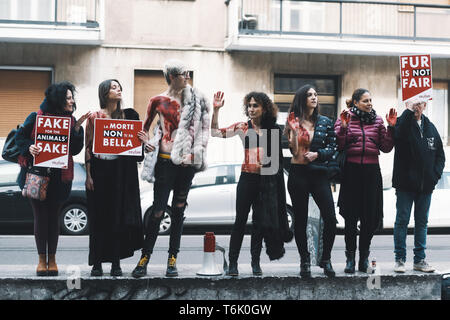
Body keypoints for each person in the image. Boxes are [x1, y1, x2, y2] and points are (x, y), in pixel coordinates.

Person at [132, 59, 210, 278]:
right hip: (165, 162)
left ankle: (172, 260)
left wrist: (194, 155)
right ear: (173, 76)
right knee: (157, 212)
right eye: (184, 74)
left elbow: (204, 132)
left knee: (178, 211)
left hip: (186, 166)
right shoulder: (157, 100)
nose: (187, 77)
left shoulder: (195, 100)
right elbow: (143, 129)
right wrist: (145, 142)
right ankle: (144, 258)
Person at [211, 91, 291, 276]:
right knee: (239, 221)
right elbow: (215, 132)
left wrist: (269, 162)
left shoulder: (272, 129)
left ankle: (255, 263)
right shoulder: (242, 127)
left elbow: (278, 159)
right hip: (247, 179)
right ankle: (233, 263)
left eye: (256, 105)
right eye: (249, 105)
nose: (252, 109)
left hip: (265, 182)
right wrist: (216, 110)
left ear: (264, 109)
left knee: (259, 223)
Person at [15, 81, 89, 276]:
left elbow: (75, 150)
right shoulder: (36, 117)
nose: (72, 100)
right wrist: (29, 147)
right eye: (68, 97)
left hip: (60, 178)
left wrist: (77, 130)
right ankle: (41, 261)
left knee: (54, 218)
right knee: (40, 217)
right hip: (36, 176)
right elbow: (19, 139)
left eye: (72, 97)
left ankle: (53, 260)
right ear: (57, 100)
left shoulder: (71, 122)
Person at [85, 79, 147, 277]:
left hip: (120, 173)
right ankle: (97, 263)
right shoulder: (94, 117)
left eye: (119, 86)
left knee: (117, 218)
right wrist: (88, 175)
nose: (118, 89)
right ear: (104, 92)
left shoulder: (128, 115)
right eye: (113, 87)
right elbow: (87, 148)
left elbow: (136, 150)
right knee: (98, 218)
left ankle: (115, 262)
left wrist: (144, 141)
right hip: (98, 170)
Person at [334, 88, 396, 273]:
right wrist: (344, 128)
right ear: (355, 102)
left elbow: (386, 147)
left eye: (370, 100)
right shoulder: (345, 117)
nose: (370, 103)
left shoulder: (377, 121)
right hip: (351, 172)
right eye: (365, 101)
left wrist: (391, 127)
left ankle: (364, 258)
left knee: (369, 219)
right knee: (351, 219)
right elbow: (339, 144)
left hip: (371, 172)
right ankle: (350, 259)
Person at [284, 85, 338, 278]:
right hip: (298, 173)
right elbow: (294, 151)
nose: (314, 98)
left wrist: (319, 154)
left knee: (331, 218)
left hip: (318, 174)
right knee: (301, 219)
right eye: (309, 95)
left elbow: (333, 147)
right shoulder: (293, 121)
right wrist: (293, 130)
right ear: (302, 99)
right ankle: (304, 260)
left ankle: (326, 258)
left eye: (316, 94)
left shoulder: (325, 122)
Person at [392, 99, 445, 273]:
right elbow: (398, 137)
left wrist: (434, 176)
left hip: (425, 187)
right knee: (402, 221)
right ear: (408, 104)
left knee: (422, 223)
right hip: (405, 186)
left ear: (425, 105)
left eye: (421, 103)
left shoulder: (431, 127)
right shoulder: (402, 123)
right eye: (414, 103)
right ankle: (400, 260)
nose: (417, 106)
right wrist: (408, 113)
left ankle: (419, 260)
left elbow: (440, 156)